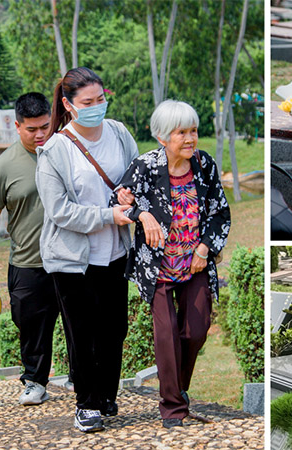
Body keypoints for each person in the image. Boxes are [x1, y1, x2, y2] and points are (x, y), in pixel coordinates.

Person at [114, 100, 230, 428]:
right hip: (158, 267)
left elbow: (220, 211)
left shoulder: (204, 165)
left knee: (196, 330)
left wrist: (205, 249)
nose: (191, 138)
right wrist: (142, 213)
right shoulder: (145, 166)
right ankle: (173, 408)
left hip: (195, 262)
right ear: (163, 137)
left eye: (193, 130)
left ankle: (178, 388)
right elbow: (117, 201)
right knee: (166, 337)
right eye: (182, 132)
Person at [35, 67, 138, 433]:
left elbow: (135, 177)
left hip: (115, 253)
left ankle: (106, 395)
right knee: (82, 331)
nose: (97, 107)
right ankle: (86, 403)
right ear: (68, 104)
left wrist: (129, 195)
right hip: (72, 258)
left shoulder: (119, 133)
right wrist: (109, 214)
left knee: (114, 329)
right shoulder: (54, 150)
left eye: (100, 99)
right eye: (87, 103)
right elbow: (59, 211)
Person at [0, 92, 57, 407]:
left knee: (79, 321)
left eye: (45, 126)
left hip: (70, 259)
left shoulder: (66, 152)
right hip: (27, 262)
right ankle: (35, 381)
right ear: (17, 127)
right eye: (31, 129)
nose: (40, 134)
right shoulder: (3, 166)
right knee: (31, 325)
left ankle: (79, 379)